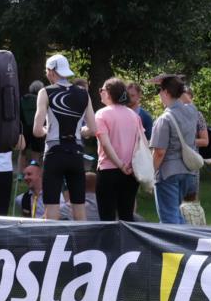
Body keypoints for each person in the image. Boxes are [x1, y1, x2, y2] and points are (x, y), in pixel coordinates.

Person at [34, 53, 96, 221]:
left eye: (47, 71)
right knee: (79, 206)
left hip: (54, 154)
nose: (46, 74)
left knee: (52, 205)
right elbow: (92, 129)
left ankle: (52, 245)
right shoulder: (84, 93)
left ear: (52, 71)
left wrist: (49, 130)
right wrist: (79, 131)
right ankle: (81, 245)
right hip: (76, 154)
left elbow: (37, 130)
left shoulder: (45, 92)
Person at [150, 75, 200, 224]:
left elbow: (159, 153)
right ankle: (185, 245)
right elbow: (187, 100)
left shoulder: (164, 119)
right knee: (176, 214)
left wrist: (150, 174)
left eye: (160, 91)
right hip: (188, 171)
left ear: (165, 92)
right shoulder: (192, 111)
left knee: (169, 219)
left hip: (168, 173)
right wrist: (174, 81)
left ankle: (174, 247)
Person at [93, 77, 141, 221]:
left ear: (108, 93)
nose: (100, 92)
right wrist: (128, 165)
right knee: (127, 217)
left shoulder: (101, 114)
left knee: (107, 217)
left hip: (108, 170)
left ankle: (109, 244)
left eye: (101, 90)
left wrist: (120, 165)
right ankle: (127, 244)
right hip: (131, 172)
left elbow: (106, 144)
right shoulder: (133, 115)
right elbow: (139, 142)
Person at [179, 86, 210, 206]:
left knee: (191, 200)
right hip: (174, 162)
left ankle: (193, 223)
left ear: (191, 98)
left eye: (186, 96)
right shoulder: (171, 114)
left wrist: (186, 142)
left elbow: (205, 141)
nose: (183, 100)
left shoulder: (197, 115)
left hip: (191, 162)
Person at [16, 80, 46, 176]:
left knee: (22, 152)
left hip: (24, 128)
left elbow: (18, 115)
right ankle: (33, 174)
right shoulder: (41, 100)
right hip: (37, 128)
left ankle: (20, 174)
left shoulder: (22, 99)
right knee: (36, 153)